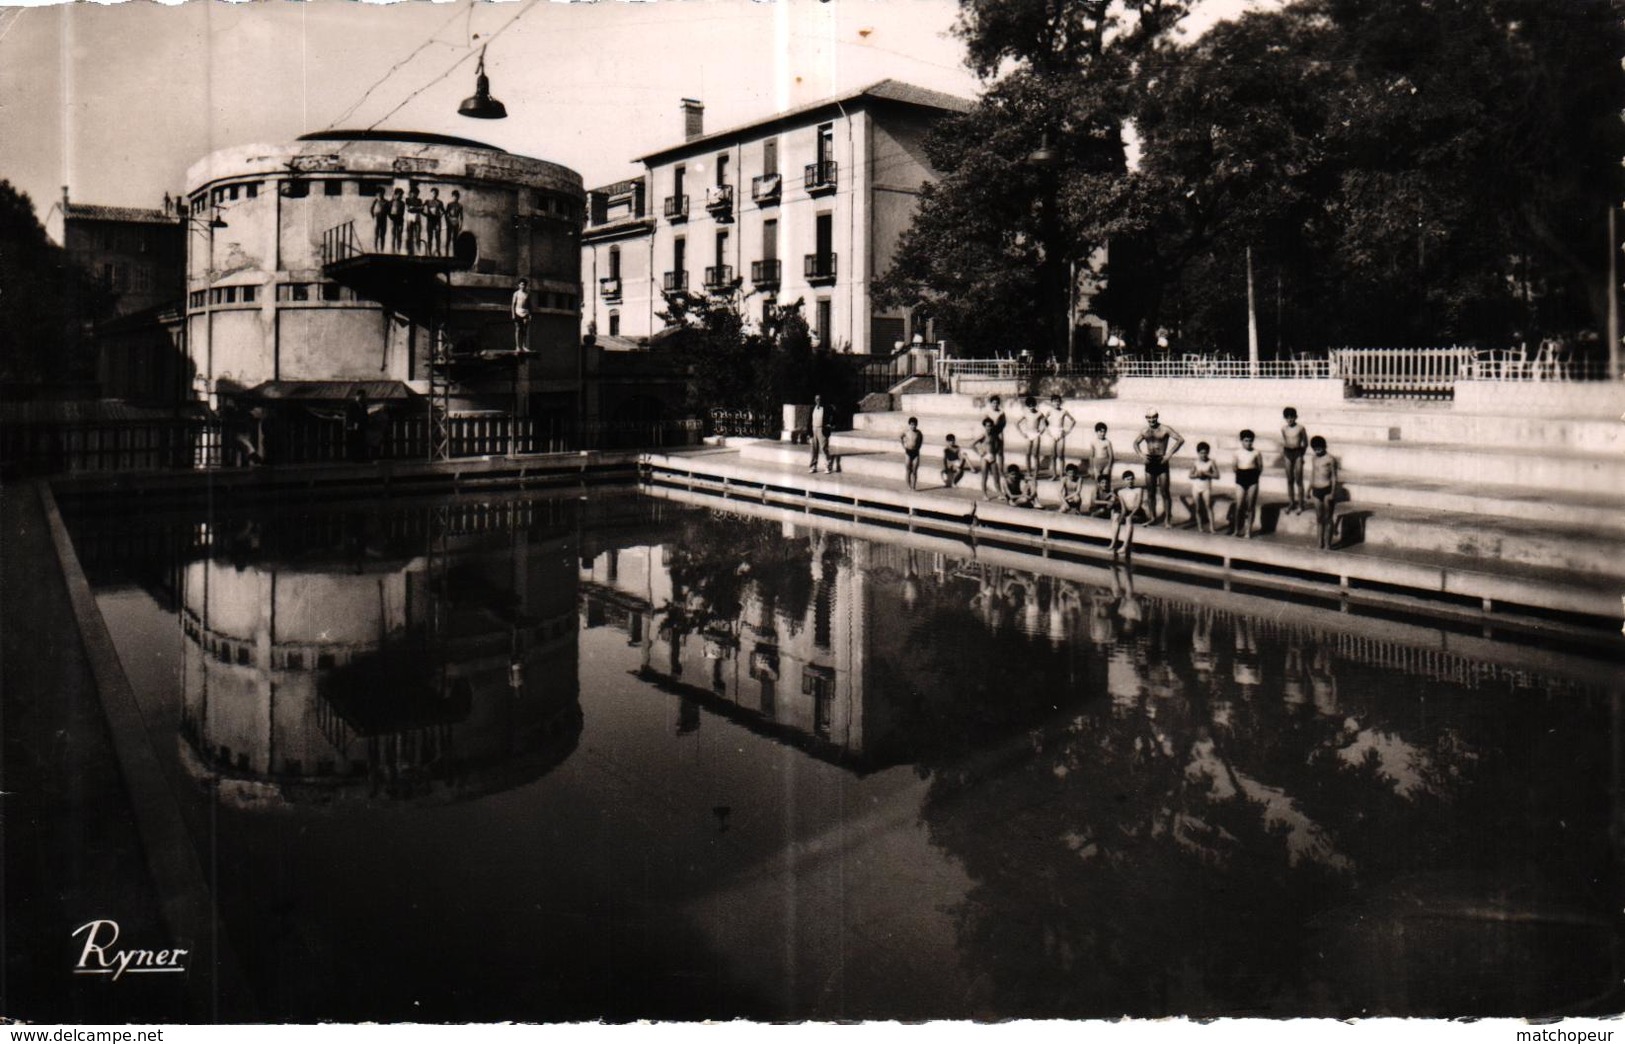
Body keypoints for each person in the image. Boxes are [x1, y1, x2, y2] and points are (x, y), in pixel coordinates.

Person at [1133, 408, 1185, 526]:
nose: (1152, 420)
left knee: (1164, 492)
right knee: (1151, 492)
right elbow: (1135, 443)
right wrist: (1141, 455)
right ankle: (1152, 517)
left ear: (1157, 417)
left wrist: (1169, 454)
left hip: (1161, 461)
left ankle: (1167, 519)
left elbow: (1180, 439)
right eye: (1149, 418)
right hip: (1150, 461)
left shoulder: (1165, 429)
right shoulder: (1144, 431)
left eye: (1154, 417)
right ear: (1146, 418)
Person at [1308, 435, 1341, 549]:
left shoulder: (1330, 459)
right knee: (1319, 518)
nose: (1317, 451)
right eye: (1315, 449)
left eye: (1319, 448)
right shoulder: (1314, 458)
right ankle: (1319, 543)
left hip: (1327, 490)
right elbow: (1313, 474)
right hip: (1316, 490)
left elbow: (1334, 477)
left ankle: (1327, 544)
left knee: (1328, 518)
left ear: (1324, 447)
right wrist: (1309, 489)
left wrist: (1333, 492)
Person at [1232, 429, 1263, 538]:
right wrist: (1241, 475)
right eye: (1246, 441)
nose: (1248, 443)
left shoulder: (1256, 452)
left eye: (1250, 441)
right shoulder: (1237, 452)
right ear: (1241, 441)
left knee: (1250, 506)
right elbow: (1234, 467)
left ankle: (1248, 530)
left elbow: (1260, 466)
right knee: (1239, 505)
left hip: (1252, 477)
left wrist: (1254, 477)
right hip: (1241, 477)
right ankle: (1236, 529)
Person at [1281, 406, 1309, 514]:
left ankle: (1301, 504)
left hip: (1298, 453)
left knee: (1299, 480)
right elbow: (1285, 440)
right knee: (1289, 480)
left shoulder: (1300, 428)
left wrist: (1301, 455)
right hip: (1288, 453)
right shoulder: (1283, 429)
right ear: (1285, 418)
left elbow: (1305, 443)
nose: (1290, 419)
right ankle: (1291, 502)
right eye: (1287, 417)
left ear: (1296, 417)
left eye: (1292, 417)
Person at [1188, 441, 1220, 533]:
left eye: (1205, 452)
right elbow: (1190, 475)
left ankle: (1212, 528)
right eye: (1201, 453)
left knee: (1208, 506)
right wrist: (1197, 475)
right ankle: (1200, 527)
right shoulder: (1195, 462)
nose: (1203, 455)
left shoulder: (1211, 462)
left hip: (1206, 487)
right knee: (1197, 507)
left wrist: (1206, 473)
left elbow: (1217, 476)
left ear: (1208, 452)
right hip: (1196, 487)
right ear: (1198, 453)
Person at [1109, 470, 1142, 555]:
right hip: (1127, 512)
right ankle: (1113, 542)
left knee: (1128, 519)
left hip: (1137, 513)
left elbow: (1137, 506)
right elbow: (1123, 508)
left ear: (1134, 479)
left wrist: (1130, 515)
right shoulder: (1121, 492)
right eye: (1127, 479)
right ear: (1124, 480)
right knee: (1116, 518)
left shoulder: (1139, 490)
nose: (1130, 481)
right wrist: (1121, 517)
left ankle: (1125, 546)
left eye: (1131, 479)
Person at [1043, 394, 1075, 478]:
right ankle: (1054, 474)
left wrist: (1068, 431)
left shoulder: (1064, 411)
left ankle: (1061, 474)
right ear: (1052, 402)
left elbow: (1073, 420)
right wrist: (1048, 431)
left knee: (1061, 455)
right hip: (1052, 433)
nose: (1056, 403)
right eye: (1054, 401)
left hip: (1060, 432)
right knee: (1053, 456)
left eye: (1058, 401)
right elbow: (1043, 421)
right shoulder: (1050, 411)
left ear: (1060, 402)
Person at [1087, 422, 1115, 517]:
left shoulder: (1107, 442)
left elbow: (1111, 456)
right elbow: (1091, 455)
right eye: (1100, 431)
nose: (1102, 434)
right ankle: (1097, 504)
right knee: (1098, 483)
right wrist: (1091, 467)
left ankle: (1107, 503)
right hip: (1096, 463)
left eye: (1104, 432)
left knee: (1106, 482)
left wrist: (1109, 466)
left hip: (1105, 463)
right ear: (1096, 432)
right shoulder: (1093, 442)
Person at [1016, 396, 1046, 476]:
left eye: (1033, 405)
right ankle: (1029, 472)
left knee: (1035, 455)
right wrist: (1022, 433)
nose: (1031, 407)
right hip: (1028, 434)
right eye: (1029, 405)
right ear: (1027, 406)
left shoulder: (1039, 413)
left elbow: (1045, 423)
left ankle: (1036, 473)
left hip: (1036, 435)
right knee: (1027, 454)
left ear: (1035, 405)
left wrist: (1041, 431)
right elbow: (1017, 423)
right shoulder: (1025, 413)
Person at [970, 418, 998, 499]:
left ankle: (999, 492)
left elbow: (997, 444)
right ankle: (984, 494)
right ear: (985, 427)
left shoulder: (993, 435)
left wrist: (995, 452)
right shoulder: (983, 435)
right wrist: (980, 453)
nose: (989, 428)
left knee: (996, 476)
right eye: (987, 426)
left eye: (990, 426)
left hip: (992, 456)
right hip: (984, 457)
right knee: (984, 477)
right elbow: (971, 444)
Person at [808, 394, 834, 474]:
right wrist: (809, 432)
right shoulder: (813, 408)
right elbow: (809, 421)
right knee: (813, 449)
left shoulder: (827, 408)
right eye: (816, 399)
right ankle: (813, 466)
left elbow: (834, 416)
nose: (818, 401)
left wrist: (830, 425)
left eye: (819, 399)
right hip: (814, 429)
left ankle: (828, 466)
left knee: (823, 448)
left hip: (822, 430)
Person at [982, 395, 1007, 477]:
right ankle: (991, 469)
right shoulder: (988, 412)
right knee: (991, 452)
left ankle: (1001, 470)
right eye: (993, 403)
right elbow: (985, 423)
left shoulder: (1001, 412)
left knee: (1000, 452)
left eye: (997, 403)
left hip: (999, 432)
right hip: (991, 433)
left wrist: (999, 430)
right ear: (991, 403)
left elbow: (1004, 423)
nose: (995, 405)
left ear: (999, 404)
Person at [345, 388, 370, 462]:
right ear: (357, 396)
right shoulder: (351, 405)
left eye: (364, 397)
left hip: (361, 427)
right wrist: (352, 425)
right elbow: (349, 416)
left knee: (361, 442)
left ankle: (361, 458)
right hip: (353, 427)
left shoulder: (364, 405)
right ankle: (353, 459)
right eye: (361, 396)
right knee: (353, 443)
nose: (363, 398)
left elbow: (365, 415)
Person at [900, 416, 924, 490]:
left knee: (914, 470)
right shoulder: (906, 432)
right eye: (911, 424)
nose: (913, 426)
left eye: (914, 425)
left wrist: (919, 447)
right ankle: (909, 486)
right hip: (908, 452)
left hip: (916, 453)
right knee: (908, 470)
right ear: (909, 425)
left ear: (916, 425)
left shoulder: (918, 433)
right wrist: (903, 445)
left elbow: (921, 440)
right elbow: (901, 437)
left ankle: (914, 486)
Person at [511, 278, 531, 352]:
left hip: (525, 312)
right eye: (522, 284)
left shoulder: (527, 294)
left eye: (524, 285)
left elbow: (529, 305)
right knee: (518, 329)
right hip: (517, 312)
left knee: (524, 330)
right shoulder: (516, 293)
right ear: (519, 285)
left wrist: (530, 314)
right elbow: (513, 305)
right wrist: (513, 314)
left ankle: (524, 346)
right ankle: (517, 346)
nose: (523, 286)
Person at [424, 187, 445, 256]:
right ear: (431, 193)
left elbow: (443, 211)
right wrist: (426, 215)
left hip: (437, 221)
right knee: (430, 237)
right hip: (430, 221)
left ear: (437, 194)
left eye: (435, 193)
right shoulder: (427, 201)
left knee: (437, 237)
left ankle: (438, 251)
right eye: (433, 193)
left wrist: (439, 216)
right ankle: (429, 252)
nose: (434, 195)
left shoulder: (440, 202)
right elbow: (421, 208)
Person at [404, 186, 424, 255]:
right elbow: (408, 209)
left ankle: (418, 251)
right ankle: (409, 251)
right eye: (414, 193)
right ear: (411, 193)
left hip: (417, 217)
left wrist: (414, 208)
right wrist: (417, 208)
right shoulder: (407, 200)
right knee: (409, 235)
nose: (415, 195)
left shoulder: (419, 200)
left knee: (418, 235)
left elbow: (422, 209)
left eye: (416, 193)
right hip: (410, 217)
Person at [444, 189, 464, 254]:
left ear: (458, 197)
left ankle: (454, 254)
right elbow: (446, 214)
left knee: (455, 239)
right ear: (452, 196)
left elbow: (461, 216)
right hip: (450, 222)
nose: (455, 198)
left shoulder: (460, 206)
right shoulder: (449, 204)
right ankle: (446, 253)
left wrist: (460, 225)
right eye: (454, 196)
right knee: (448, 238)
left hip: (456, 222)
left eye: (457, 196)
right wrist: (447, 222)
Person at [388, 187, 406, 252]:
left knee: (399, 235)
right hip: (393, 219)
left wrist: (400, 218)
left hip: (400, 219)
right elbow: (388, 211)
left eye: (401, 195)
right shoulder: (391, 202)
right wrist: (391, 218)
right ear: (395, 194)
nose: (401, 196)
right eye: (399, 194)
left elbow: (402, 212)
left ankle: (399, 250)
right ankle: (393, 250)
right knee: (393, 235)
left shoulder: (402, 203)